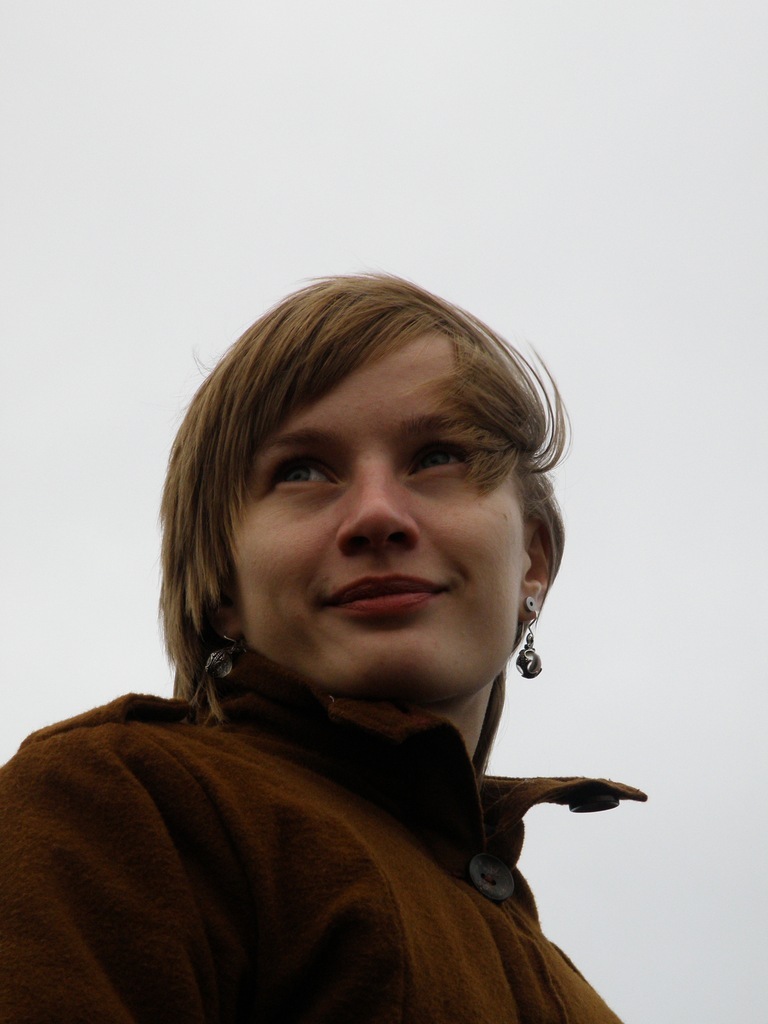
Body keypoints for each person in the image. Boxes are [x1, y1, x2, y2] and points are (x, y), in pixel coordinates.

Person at [0, 274, 646, 1023]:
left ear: (532, 560)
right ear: (222, 586)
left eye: (437, 457)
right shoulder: (124, 808)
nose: (376, 515)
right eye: (301, 471)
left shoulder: (580, 997)